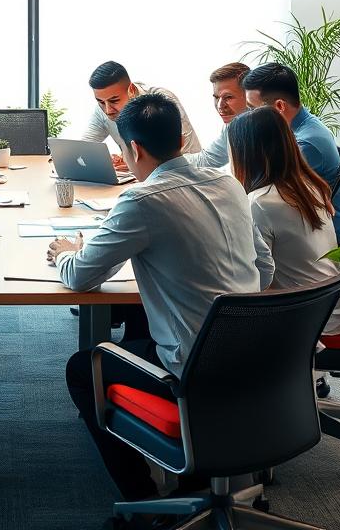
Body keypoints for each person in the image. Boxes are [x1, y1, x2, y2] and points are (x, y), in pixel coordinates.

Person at [53, 94, 271, 502]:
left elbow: (81, 278)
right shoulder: (230, 184)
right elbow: (266, 266)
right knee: (142, 323)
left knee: (84, 369)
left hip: (194, 369)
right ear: (180, 136)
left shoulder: (142, 200)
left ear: (133, 148)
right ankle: (197, 479)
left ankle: (144, 503)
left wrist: (65, 252)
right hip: (256, 357)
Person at [227, 107, 340, 335]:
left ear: (244, 154)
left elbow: (257, 276)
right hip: (331, 307)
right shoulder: (308, 184)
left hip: (305, 320)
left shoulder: (261, 202)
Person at [242, 62, 340, 239]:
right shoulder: (295, 128)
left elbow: (268, 191)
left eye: (253, 109)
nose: (249, 115)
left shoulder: (307, 144)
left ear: (280, 106)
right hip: (303, 221)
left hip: (321, 238)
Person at [80, 60, 201, 170]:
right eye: (100, 102)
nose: (108, 110)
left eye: (114, 101)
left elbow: (186, 155)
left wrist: (132, 162)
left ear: (131, 90)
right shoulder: (102, 110)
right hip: (140, 179)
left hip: (185, 176)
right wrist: (107, 161)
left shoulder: (162, 101)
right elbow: (82, 149)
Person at [186, 61, 250, 169]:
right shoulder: (232, 127)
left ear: (248, 95)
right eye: (216, 97)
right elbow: (208, 159)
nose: (220, 106)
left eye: (228, 97)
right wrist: (168, 162)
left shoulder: (271, 125)